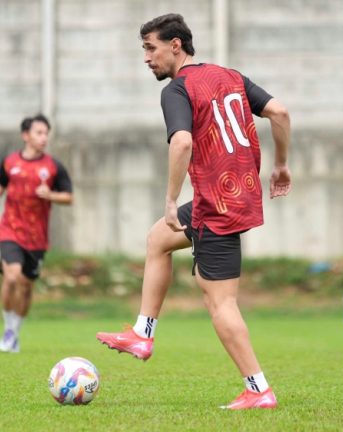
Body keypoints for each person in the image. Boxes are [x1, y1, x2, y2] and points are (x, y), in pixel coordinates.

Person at [96, 13, 292, 409]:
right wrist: (282, 164)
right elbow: (280, 113)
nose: (146, 58)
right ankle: (143, 332)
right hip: (236, 195)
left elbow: (182, 142)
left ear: (175, 45)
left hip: (216, 205)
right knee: (158, 239)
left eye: (150, 48)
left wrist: (170, 199)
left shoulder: (177, 89)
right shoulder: (230, 75)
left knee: (221, 302)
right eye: (143, 50)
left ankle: (259, 391)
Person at [0, 114, 73, 353]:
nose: (44, 138)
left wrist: (51, 195)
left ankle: (16, 329)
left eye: (46, 133)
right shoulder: (10, 162)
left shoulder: (53, 167)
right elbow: (0, 184)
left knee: (25, 287)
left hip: (37, 237)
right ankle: (8, 329)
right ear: (26, 136)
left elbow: (69, 196)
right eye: (39, 133)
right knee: (11, 277)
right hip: (10, 229)